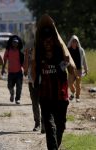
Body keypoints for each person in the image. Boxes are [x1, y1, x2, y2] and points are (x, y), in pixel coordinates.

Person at [33, 14, 76, 150]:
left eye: (50, 41)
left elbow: (72, 70)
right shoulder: (39, 58)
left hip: (61, 97)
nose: (48, 44)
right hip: (45, 98)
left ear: (54, 42)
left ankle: (55, 147)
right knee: (50, 126)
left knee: (61, 125)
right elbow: (32, 74)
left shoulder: (61, 56)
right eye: (45, 42)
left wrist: (69, 67)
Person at [23, 40, 45, 133]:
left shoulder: (43, 54)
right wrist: (27, 55)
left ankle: (44, 124)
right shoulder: (28, 54)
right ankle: (37, 124)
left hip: (42, 83)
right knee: (35, 103)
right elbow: (25, 69)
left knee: (43, 104)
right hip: (32, 82)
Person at [1, 35, 24, 104]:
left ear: (18, 43)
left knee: (19, 86)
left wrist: (25, 70)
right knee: (9, 86)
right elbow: (5, 59)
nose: (15, 44)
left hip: (19, 72)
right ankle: (12, 94)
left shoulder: (20, 51)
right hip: (11, 72)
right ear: (11, 43)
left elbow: (23, 61)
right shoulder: (8, 50)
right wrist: (3, 68)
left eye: (16, 42)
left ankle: (17, 99)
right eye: (14, 42)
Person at [67, 35, 88, 102]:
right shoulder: (68, 50)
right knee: (70, 83)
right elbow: (65, 59)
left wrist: (86, 68)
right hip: (71, 69)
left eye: (75, 41)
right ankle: (73, 91)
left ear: (77, 42)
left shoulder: (81, 50)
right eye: (73, 41)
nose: (74, 43)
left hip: (79, 69)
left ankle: (77, 97)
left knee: (78, 84)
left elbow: (84, 60)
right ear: (71, 42)